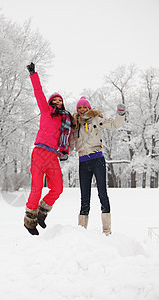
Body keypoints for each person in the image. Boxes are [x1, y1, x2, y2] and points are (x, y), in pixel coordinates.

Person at [24, 62, 72, 235]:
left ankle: (42, 213)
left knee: (57, 188)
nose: (58, 102)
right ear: (51, 102)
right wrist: (33, 74)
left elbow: (69, 136)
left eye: (60, 100)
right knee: (36, 187)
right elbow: (38, 92)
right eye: (55, 100)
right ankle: (30, 220)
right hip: (39, 153)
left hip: (52, 155)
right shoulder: (45, 110)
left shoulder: (66, 120)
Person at [69, 96, 126, 235]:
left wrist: (120, 113)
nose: (82, 110)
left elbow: (114, 124)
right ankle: (81, 230)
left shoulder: (96, 119)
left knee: (102, 193)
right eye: (80, 108)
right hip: (83, 162)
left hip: (97, 160)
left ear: (89, 108)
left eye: (85, 107)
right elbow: (69, 145)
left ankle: (106, 230)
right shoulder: (75, 125)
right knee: (84, 197)